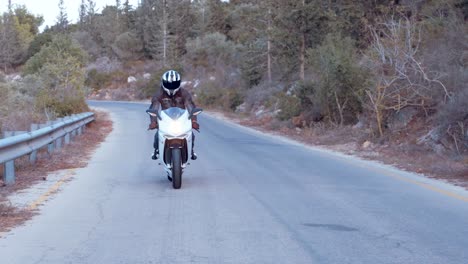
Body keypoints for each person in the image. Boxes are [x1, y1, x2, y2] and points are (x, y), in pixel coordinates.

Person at [148, 70, 200, 160]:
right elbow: (154, 108)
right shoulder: (159, 94)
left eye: (174, 84)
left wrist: (194, 120)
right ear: (163, 83)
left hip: (182, 118)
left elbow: (190, 106)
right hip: (165, 119)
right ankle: (156, 150)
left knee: (190, 134)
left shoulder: (184, 93)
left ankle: (191, 150)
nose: (171, 86)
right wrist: (153, 122)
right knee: (158, 135)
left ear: (179, 83)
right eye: (169, 84)